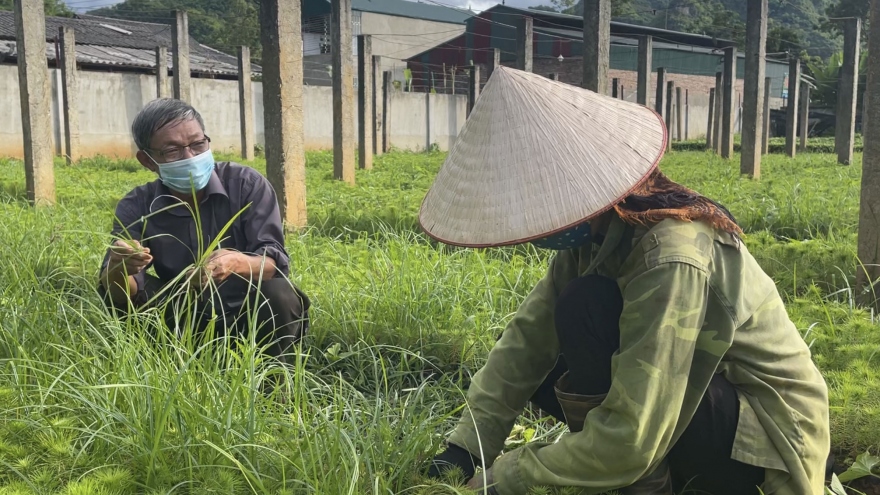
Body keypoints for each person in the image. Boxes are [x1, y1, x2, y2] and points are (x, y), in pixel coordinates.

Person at [419, 67, 830, 495]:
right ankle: (623, 474)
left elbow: (635, 435)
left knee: (586, 308)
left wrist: (508, 477)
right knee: (562, 333)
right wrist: (465, 449)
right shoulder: (594, 240)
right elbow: (526, 342)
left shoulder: (671, 255)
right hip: (684, 410)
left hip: (760, 442)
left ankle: (639, 483)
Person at [99, 98, 310, 365]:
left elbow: (274, 265)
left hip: (246, 312)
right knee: (111, 286)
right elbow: (124, 296)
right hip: (182, 313)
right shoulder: (138, 205)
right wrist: (119, 267)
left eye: (198, 144)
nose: (190, 157)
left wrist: (235, 262)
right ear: (148, 160)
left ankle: (275, 382)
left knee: (279, 293)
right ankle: (162, 367)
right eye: (172, 150)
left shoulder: (245, 184)